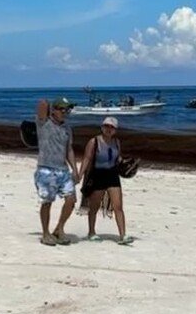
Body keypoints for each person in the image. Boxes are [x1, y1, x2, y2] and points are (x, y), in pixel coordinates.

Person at [33, 97, 79, 246]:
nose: (65, 112)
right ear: (54, 110)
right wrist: (48, 103)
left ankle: (59, 229)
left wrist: (75, 169)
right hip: (46, 169)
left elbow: (69, 149)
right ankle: (45, 233)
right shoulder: (43, 123)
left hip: (63, 170)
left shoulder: (67, 128)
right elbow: (42, 104)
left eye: (67, 109)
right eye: (62, 109)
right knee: (47, 202)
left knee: (71, 200)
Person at [80, 116, 131, 244]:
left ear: (115, 130)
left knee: (118, 206)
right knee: (94, 206)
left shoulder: (117, 142)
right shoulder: (94, 142)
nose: (109, 129)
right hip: (98, 175)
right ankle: (91, 232)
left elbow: (117, 158)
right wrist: (80, 174)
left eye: (112, 127)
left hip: (112, 175)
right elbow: (86, 159)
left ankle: (123, 235)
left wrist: (126, 164)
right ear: (102, 127)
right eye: (106, 126)